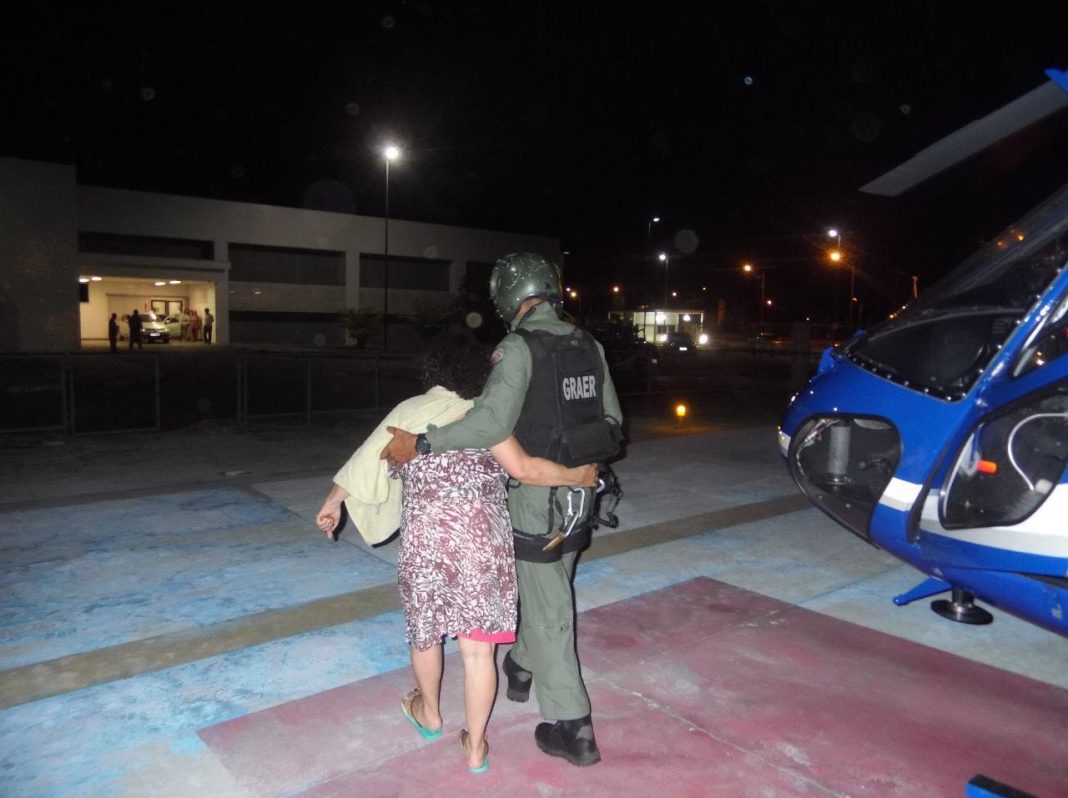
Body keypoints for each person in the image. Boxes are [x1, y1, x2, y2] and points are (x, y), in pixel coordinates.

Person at [316, 329, 596, 774]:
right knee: (479, 653)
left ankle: (429, 713)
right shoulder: (487, 416)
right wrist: (577, 476)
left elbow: (362, 463)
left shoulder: (410, 411)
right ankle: (476, 747)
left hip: (427, 544)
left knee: (426, 635)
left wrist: (332, 504)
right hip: (484, 544)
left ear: (433, 370)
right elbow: (526, 468)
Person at [381, 253, 624, 767]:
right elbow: (612, 421)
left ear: (510, 295)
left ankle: (574, 727)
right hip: (581, 492)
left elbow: (490, 424)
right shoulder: (588, 344)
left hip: (537, 500)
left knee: (551, 610)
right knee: (547, 590)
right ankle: (520, 665)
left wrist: (423, 443)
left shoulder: (518, 348)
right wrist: (579, 470)